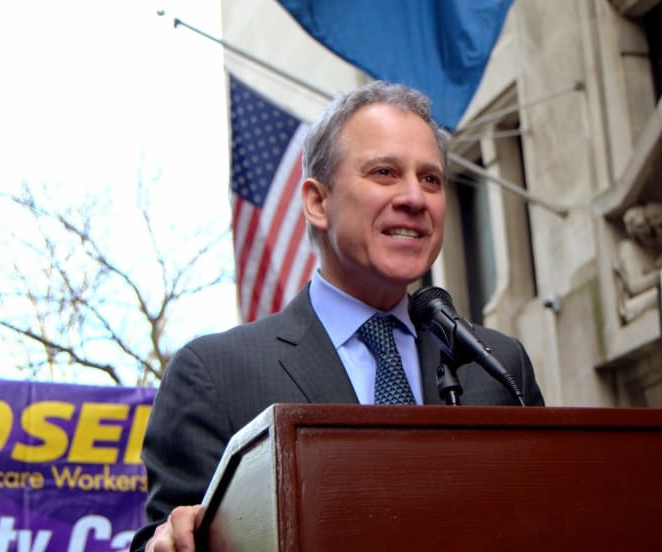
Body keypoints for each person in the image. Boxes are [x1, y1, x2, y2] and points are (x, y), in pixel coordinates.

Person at [131, 81, 545, 551]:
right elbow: (168, 536)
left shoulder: (497, 366)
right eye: (385, 172)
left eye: (431, 179)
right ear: (317, 202)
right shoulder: (214, 375)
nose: (415, 197)